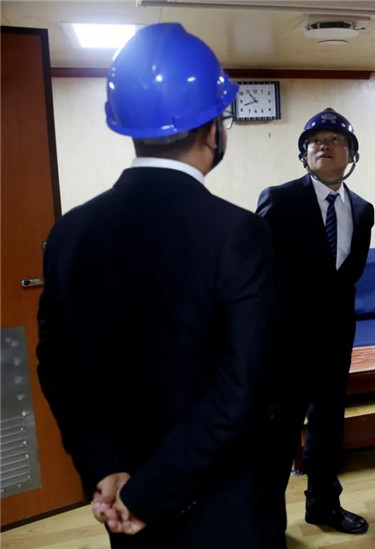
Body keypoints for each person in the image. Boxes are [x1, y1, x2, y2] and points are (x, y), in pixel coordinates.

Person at [36, 23, 280, 548]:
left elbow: (58, 369)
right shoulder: (239, 233)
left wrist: (105, 470)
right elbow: (242, 387)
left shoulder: (69, 233)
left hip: (121, 502)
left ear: (128, 127)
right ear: (212, 130)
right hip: (220, 511)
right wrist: (148, 493)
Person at [256, 108, 374, 536]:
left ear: (352, 154)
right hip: (285, 342)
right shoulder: (279, 198)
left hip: (336, 339)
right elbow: (258, 272)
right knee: (279, 434)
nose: (324, 145)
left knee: (328, 427)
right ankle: (266, 524)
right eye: (315, 141)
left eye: (335, 139)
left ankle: (324, 506)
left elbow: (348, 276)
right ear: (304, 154)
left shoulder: (363, 210)